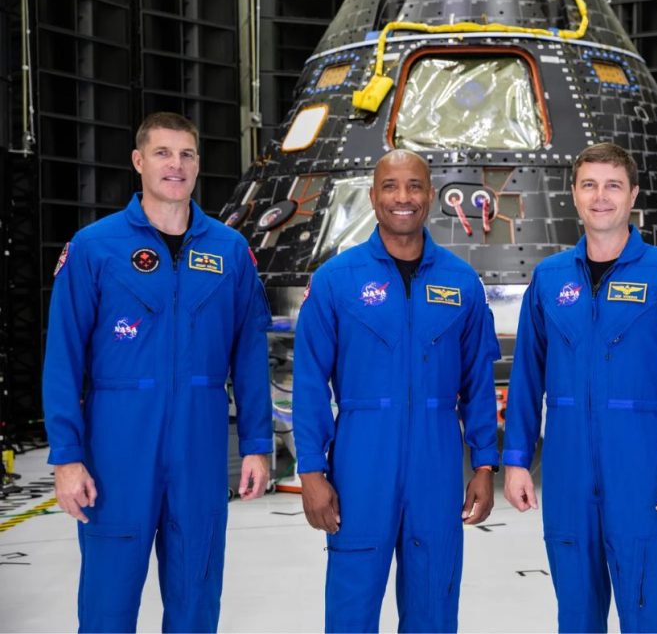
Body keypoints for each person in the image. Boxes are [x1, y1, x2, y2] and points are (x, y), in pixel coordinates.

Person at [42, 111, 273, 632]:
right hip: (117, 451)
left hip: (200, 449)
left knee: (196, 600)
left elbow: (249, 357)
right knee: (107, 605)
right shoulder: (94, 248)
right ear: (138, 161)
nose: (176, 165)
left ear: (198, 164)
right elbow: (63, 359)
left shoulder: (230, 252)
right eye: (163, 153)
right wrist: (67, 457)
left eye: (186, 154)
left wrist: (257, 444)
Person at [502, 142, 657, 633]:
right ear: (574, 195)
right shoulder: (548, 279)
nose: (600, 197)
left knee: (653, 611)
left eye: (613, 186)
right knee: (576, 615)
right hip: (567, 474)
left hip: (644, 474)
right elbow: (527, 376)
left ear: (633, 195)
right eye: (589, 185)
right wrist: (516, 459)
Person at [291, 149, 500, 633]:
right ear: (373, 196)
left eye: (414, 186)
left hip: (437, 461)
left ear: (431, 195)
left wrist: (484, 464)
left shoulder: (461, 282)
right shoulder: (335, 280)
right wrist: (311, 471)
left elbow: (478, 382)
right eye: (390, 186)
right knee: (352, 606)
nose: (402, 197)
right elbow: (309, 382)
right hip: (361, 461)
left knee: (434, 603)